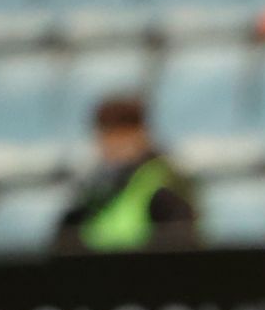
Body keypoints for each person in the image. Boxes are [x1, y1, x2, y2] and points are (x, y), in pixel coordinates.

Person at [53, 94, 199, 253]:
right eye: (105, 136)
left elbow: (180, 239)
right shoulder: (91, 185)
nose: (111, 145)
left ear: (141, 134)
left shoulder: (166, 181)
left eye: (120, 136)